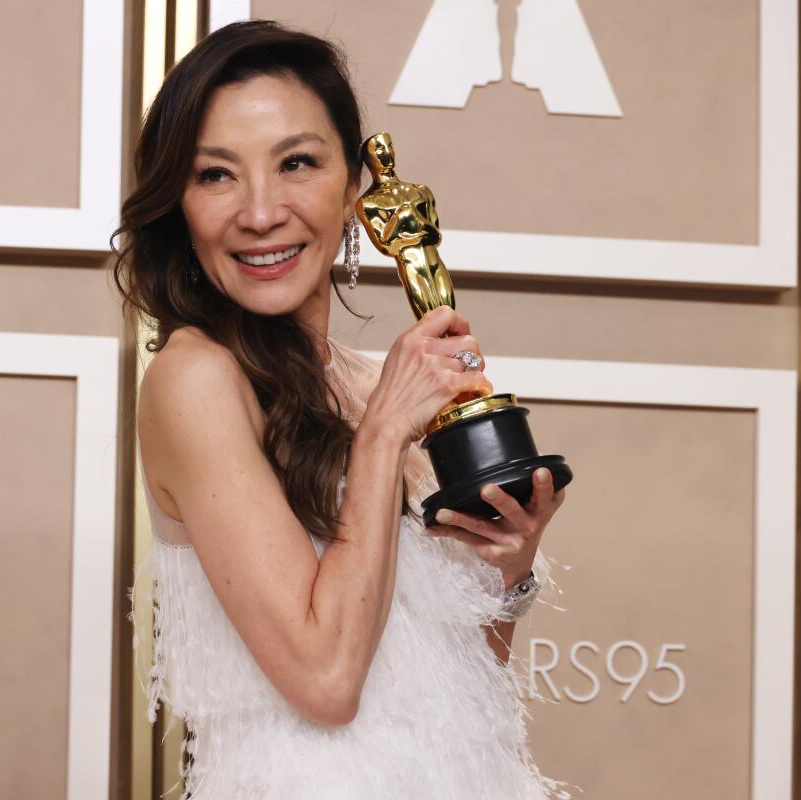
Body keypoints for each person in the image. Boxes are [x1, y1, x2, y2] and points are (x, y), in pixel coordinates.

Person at [115, 19, 569, 799]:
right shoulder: (196, 379)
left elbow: (452, 689)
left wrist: (509, 569)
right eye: (216, 174)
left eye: (296, 163)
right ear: (179, 207)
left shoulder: (370, 381)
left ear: (356, 187)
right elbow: (326, 679)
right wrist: (386, 434)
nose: (260, 212)